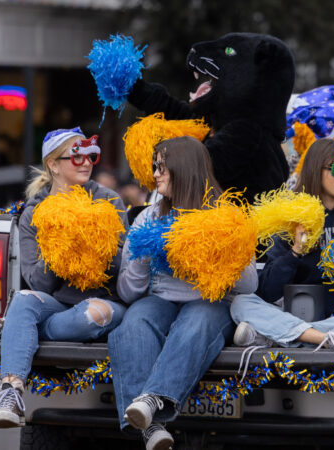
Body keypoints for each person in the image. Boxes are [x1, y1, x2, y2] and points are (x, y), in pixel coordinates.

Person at [0, 128, 128, 428]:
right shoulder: (33, 213)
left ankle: (17, 330)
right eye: (75, 156)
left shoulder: (109, 201)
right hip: (58, 301)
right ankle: (10, 393)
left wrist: (90, 243)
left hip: (104, 300)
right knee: (25, 300)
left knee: (92, 316)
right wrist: (61, 245)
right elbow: (39, 283)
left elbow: (123, 266)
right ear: (53, 164)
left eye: (91, 155)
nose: (86, 162)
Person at [108, 136, 258, 450]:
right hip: (159, 299)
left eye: (161, 166)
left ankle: (153, 399)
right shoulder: (150, 216)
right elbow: (128, 293)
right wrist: (142, 252)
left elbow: (248, 286)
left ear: (185, 168)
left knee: (197, 322)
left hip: (210, 302)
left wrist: (217, 253)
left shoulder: (224, 213)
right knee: (134, 322)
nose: (155, 173)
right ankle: (152, 428)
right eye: (154, 165)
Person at [231, 138, 334, 352]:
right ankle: (324, 338)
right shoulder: (292, 218)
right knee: (241, 303)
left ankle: (277, 336)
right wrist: (295, 252)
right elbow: (266, 291)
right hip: (298, 313)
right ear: (315, 170)